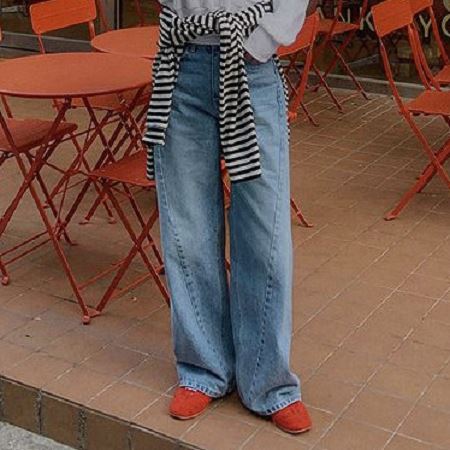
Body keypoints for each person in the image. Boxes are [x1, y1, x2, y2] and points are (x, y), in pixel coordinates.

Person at [143, 0, 312, 435]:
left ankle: (269, 383)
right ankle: (203, 368)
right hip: (182, 62)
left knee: (265, 233)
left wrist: (260, 41)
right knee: (188, 232)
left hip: (251, 67)